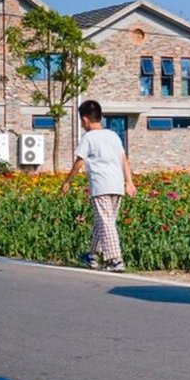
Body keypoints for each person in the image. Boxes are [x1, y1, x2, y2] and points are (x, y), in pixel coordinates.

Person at [59, 100, 135, 271]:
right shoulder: (113, 135)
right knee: (103, 222)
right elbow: (124, 160)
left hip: (101, 185)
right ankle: (92, 256)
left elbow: (79, 162)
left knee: (106, 222)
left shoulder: (88, 137)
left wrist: (67, 182)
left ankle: (116, 260)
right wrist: (129, 182)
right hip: (117, 185)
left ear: (85, 120)